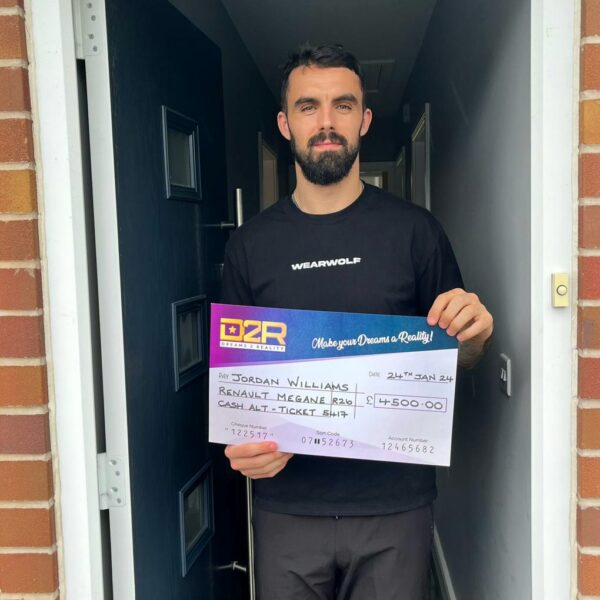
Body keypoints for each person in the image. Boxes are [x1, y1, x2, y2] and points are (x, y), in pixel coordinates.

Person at [221, 43, 493, 600]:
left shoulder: (416, 232)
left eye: (342, 105)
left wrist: (475, 334)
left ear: (364, 120)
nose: (326, 122)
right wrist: (239, 444)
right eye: (308, 106)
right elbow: (237, 382)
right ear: (285, 124)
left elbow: (458, 356)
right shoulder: (249, 245)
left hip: (395, 507)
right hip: (287, 507)